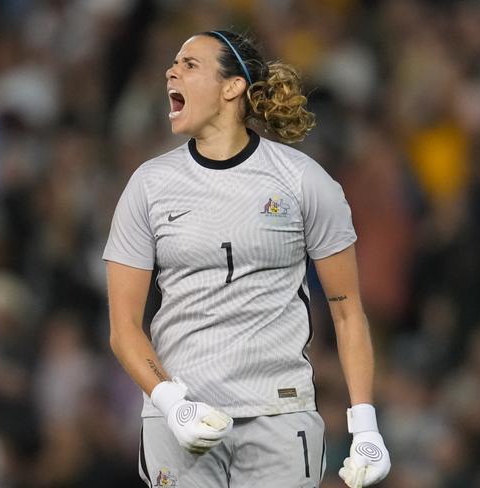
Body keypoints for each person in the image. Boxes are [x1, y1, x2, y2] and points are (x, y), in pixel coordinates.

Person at [104, 29, 391, 488]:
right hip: (181, 419)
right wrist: (173, 402)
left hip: (279, 414)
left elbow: (347, 311)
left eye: (189, 64)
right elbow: (123, 327)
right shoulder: (147, 185)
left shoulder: (304, 182)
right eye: (173, 63)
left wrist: (364, 425)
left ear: (232, 87)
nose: (170, 71)